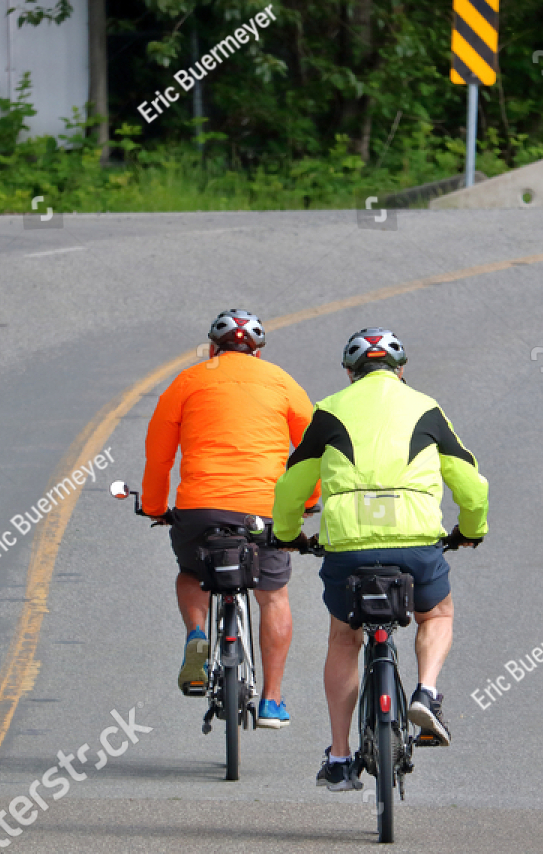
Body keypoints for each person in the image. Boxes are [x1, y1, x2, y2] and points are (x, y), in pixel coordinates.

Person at [271, 328, 488, 790]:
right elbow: (471, 484)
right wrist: (471, 530)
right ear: (400, 369)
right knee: (438, 613)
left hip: (348, 547)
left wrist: (289, 536)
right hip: (415, 541)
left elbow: (291, 487)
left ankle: (340, 756)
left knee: (344, 639)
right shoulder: (426, 407)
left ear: (350, 373)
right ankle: (426, 689)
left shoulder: (330, 410)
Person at [142, 308, 319, 728]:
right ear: (256, 351)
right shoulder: (280, 381)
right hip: (265, 508)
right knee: (273, 594)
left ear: (213, 346)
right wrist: (308, 501)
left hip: (201, 507)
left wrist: (153, 507)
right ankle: (272, 700)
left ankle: (198, 635)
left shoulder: (187, 380)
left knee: (191, 571)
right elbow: (313, 447)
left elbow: (159, 454)